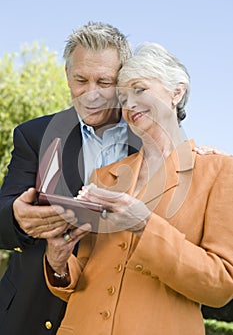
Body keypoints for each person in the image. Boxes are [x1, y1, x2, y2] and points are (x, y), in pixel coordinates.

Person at [44, 42, 233, 335]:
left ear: (176, 92)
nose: (129, 104)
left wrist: (144, 224)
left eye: (140, 90)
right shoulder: (103, 177)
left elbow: (221, 286)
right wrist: (59, 263)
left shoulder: (220, 171)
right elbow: (86, 274)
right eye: (122, 96)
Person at [0, 22, 142, 335]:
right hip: (32, 310)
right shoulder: (34, 136)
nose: (91, 94)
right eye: (80, 80)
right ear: (67, 75)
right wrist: (16, 217)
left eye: (104, 82)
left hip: (114, 313)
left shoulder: (150, 142)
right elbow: (2, 218)